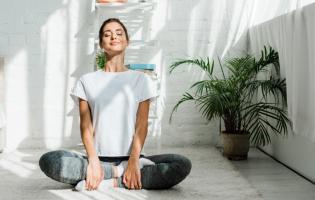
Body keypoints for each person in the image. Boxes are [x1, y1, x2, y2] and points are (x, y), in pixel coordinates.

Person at [39, 18, 192, 191]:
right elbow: (85, 126)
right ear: (101, 43)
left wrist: (133, 161)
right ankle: (119, 174)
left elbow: (141, 125)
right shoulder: (86, 81)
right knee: (50, 160)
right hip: (97, 157)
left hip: (133, 158)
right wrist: (94, 161)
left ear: (127, 41)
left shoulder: (141, 80)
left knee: (181, 164)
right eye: (107, 34)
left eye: (119, 33)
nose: (114, 36)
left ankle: (109, 180)